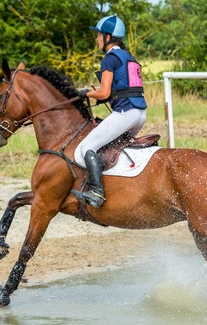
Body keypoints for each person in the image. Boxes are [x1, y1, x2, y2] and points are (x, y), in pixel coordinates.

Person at [71, 15, 147, 208]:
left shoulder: (109, 58)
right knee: (112, 148)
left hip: (125, 113)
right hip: (140, 114)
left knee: (87, 148)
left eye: (98, 35)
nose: (96, 39)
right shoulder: (130, 57)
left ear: (108, 37)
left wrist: (87, 93)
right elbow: (119, 90)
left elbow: (104, 92)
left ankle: (97, 193)